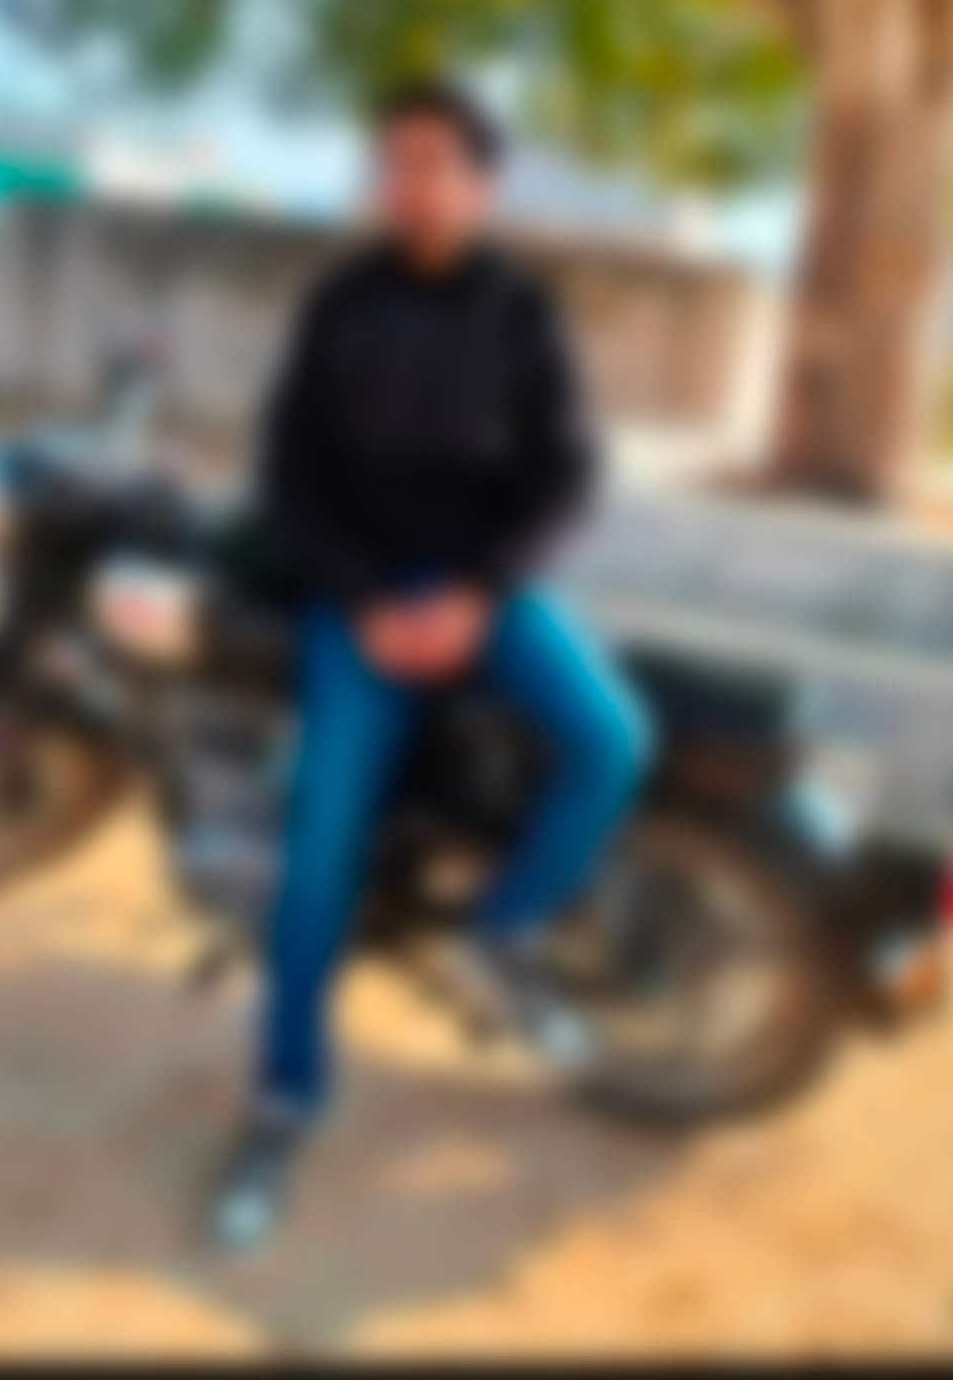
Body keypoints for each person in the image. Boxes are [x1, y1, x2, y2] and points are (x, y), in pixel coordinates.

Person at [212, 80, 654, 1250]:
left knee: (613, 740)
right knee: (319, 854)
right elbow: (287, 476)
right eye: (391, 162)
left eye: (431, 163)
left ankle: (497, 933)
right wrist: (364, 602)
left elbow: (569, 477)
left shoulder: (522, 310)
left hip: (486, 593)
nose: (406, 184)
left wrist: (479, 593)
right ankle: (284, 1096)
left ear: (482, 183)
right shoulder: (340, 302)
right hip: (356, 604)